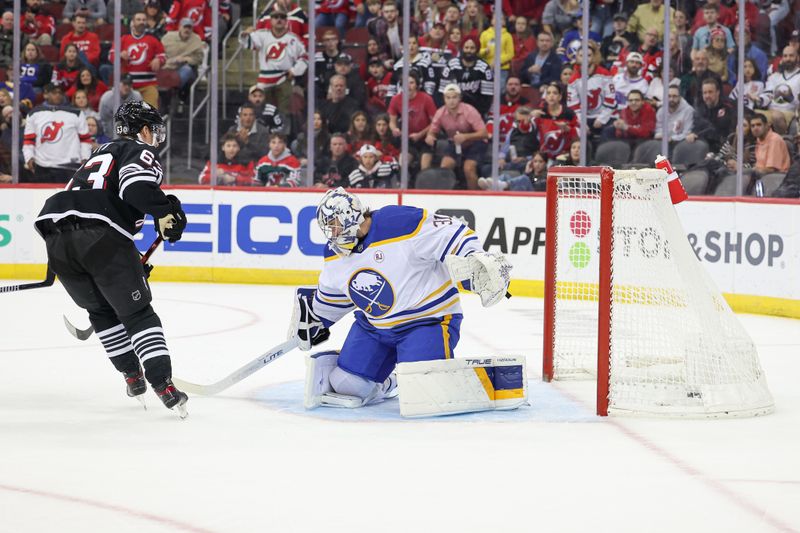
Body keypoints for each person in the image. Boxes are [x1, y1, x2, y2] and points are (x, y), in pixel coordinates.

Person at [291, 187, 515, 415]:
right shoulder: (334, 254)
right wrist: (315, 320)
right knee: (346, 384)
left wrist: (472, 255)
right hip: (373, 329)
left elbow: (451, 231)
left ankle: (415, 375)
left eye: (335, 224)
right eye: (328, 228)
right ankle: (390, 383)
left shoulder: (397, 222)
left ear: (351, 215)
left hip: (427, 322)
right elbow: (333, 296)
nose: (333, 233)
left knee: (423, 390)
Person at [33, 101, 189, 416]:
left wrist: (126, 256)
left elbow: (96, 200)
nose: (156, 137)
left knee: (101, 311)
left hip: (56, 238)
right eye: (153, 130)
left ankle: (132, 376)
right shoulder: (138, 151)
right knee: (137, 313)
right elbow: (136, 190)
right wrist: (168, 210)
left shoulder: (97, 154)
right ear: (143, 129)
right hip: (99, 236)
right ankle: (163, 385)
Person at [240, 6, 308, 115]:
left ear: (286, 21)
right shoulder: (262, 35)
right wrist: (245, 35)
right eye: (276, 17)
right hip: (264, 81)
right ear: (270, 21)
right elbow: (248, 43)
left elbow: (305, 57)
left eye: (282, 17)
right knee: (263, 112)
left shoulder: (293, 39)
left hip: (284, 79)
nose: (279, 19)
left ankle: (282, 132)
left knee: (284, 112)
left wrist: (295, 70)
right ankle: (264, 132)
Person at [23, 84, 92, 183]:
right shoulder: (34, 114)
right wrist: (29, 157)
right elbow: (29, 140)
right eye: (54, 93)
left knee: (67, 197)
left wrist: (85, 157)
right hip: (42, 166)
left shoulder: (76, 113)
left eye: (60, 93)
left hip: (70, 166)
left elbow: (85, 139)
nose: (58, 95)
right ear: (46, 95)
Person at [425, 83, 489, 190]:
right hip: (455, 143)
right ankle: (447, 196)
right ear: (444, 99)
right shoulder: (440, 112)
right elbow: (432, 131)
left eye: (454, 97)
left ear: (459, 98)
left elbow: (484, 133)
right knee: (445, 167)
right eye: (448, 98)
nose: (451, 101)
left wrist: (466, 136)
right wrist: (430, 137)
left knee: (468, 168)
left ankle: (473, 197)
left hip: (475, 142)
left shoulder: (469, 110)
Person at [108, 11, 167, 109]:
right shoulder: (123, 39)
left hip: (148, 84)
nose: (141, 22)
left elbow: (163, 56)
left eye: (144, 20)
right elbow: (110, 56)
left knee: (150, 115)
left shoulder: (153, 39)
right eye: (138, 20)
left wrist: (158, 60)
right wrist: (119, 55)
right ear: (133, 22)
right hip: (127, 85)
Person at [161, 17, 205, 97]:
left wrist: (186, 59)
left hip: (186, 68)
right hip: (168, 67)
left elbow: (199, 59)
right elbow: (159, 53)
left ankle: (172, 89)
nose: (187, 30)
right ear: (179, 27)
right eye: (185, 27)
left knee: (186, 70)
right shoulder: (168, 37)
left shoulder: (196, 40)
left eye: (189, 28)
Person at [479, 150, 548, 191]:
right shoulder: (530, 173)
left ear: (545, 163)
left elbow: (536, 185)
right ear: (532, 162)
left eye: (540, 162)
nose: (537, 164)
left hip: (533, 194)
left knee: (524, 178)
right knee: (505, 176)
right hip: (522, 190)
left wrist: (527, 175)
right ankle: (489, 184)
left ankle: (502, 185)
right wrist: (527, 172)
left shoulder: (546, 175)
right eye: (535, 161)